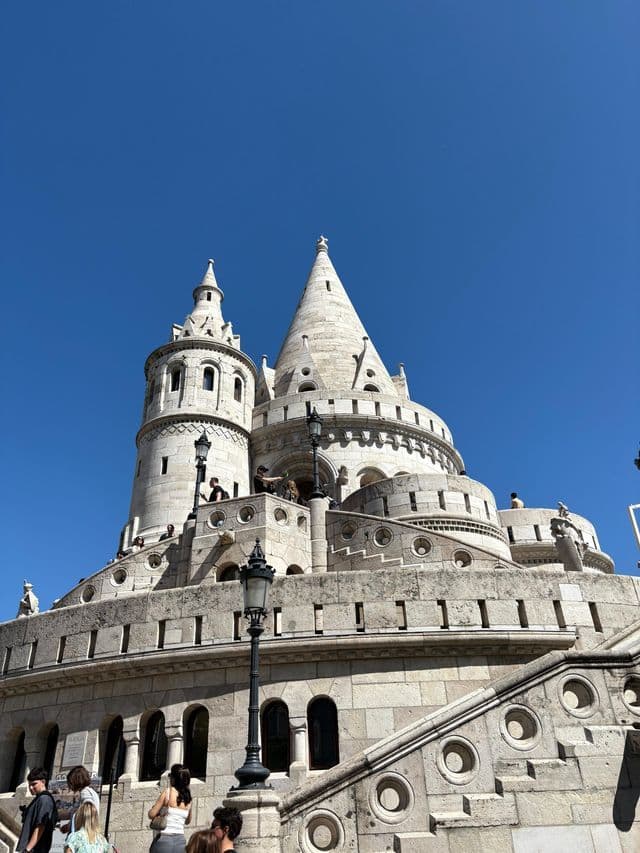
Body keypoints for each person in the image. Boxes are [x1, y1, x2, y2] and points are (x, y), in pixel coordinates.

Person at [148, 764, 192, 852]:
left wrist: (156, 810)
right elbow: (187, 821)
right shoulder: (189, 799)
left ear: (173, 778)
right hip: (180, 842)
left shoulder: (168, 793)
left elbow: (151, 814)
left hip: (163, 840)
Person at [16, 767, 58, 853]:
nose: (31, 788)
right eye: (29, 785)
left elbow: (40, 827)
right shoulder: (39, 798)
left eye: (34, 784)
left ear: (43, 782)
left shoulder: (44, 799)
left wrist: (28, 849)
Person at [60, 766, 99, 834]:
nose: (69, 785)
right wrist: (69, 825)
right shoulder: (87, 792)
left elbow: (87, 815)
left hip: (82, 837)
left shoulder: (86, 793)